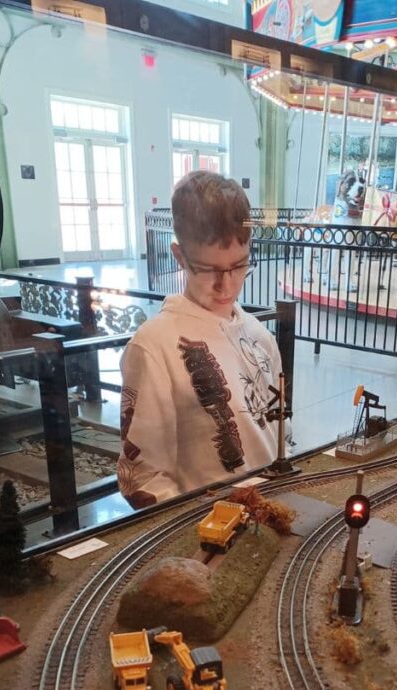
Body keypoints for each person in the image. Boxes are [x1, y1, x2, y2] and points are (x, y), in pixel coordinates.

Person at [117, 171, 282, 507]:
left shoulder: (259, 335)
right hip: (205, 523)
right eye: (209, 270)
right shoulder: (155, 345)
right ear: (179, 257)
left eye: (239, 266)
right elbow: (144, 477)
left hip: (273, 506)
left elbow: (280, 432)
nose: (227, 285)